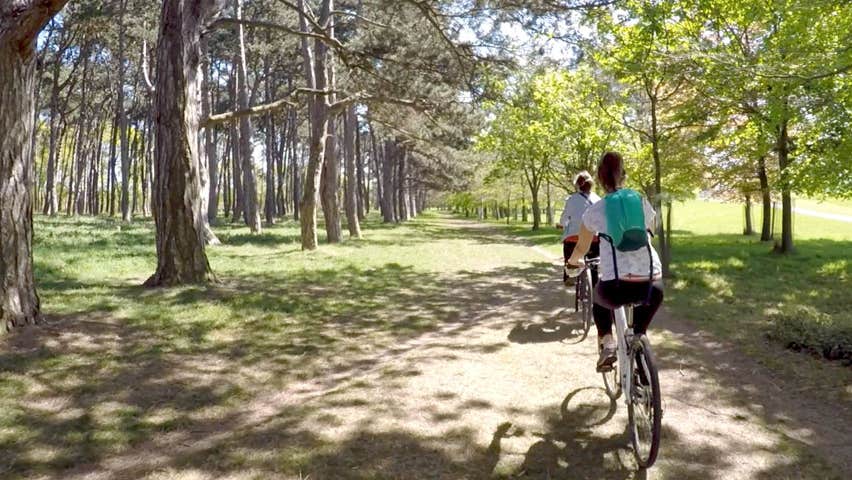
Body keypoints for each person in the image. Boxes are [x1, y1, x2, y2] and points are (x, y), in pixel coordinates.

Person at [567, 152, 664, 372]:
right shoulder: (639, 200)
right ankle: (640, 360)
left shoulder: (595, 210)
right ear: (624, 175)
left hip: (617, 286)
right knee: (639, 332)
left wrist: (573, 262)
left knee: (600, 304)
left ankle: (608, 345)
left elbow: (581, 248)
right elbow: (652, 227)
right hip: (652, 283)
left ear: (600, 179)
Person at [556, 171, 600, 285]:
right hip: (593, 238)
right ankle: (594, 283)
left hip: (573, 237)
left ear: (577, 185)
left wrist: (562, 224)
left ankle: (569, 274)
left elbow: (564, 218)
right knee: (593, 263)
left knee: (569, 252)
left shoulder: (571, 199)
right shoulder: (598, 199)